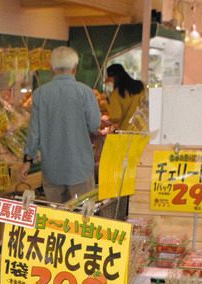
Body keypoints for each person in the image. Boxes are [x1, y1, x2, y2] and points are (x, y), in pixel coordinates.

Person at [23, 46, 100, 204]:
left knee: (56, 218)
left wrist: (27, 160)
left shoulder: (40, 94)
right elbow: (94, 125)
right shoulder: (86, 93)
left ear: (52, 68)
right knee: (82, 219)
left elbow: (34, 133)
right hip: (80, 167)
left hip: (52, 168)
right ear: (75, 68)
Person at [104, 63, 145, 130]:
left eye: (109, 79)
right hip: (142, 129)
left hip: (126, 132)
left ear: (114, 77)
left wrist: (104, 121)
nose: (109, 82)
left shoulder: (116, 94)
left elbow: (116, 116)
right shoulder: (140, 86)